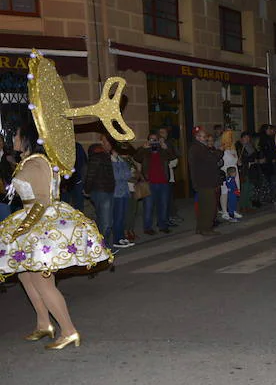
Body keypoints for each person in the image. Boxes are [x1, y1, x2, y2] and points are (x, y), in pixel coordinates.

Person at [0, 119, 112, 349]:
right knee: (25, 275)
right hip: (33, 220)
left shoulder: (39, 162)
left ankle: (69, 330)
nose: (14, 140)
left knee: (43, 282)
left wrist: (24, 229)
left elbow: (42, 200)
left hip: (40, 222)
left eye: (17, 135)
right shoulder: (29, 161)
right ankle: (44, 324)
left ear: (28, 138)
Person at [135, 131, 175, 235]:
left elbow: (172, 157)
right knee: (148, 206)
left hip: (163, 182)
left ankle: (162, 225)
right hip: (149, 183)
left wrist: (165, 147)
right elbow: (136, 158)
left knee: (164, 205)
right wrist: (143, 148)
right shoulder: (144, 150)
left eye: (155, 139)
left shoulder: (162, 150)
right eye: (151, 139)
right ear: (148, 140)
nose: (153, 142)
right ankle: (147, 228)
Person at [188, 126, 224, 236]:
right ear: (197, 137)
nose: (206, 138)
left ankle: (201, 227)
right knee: (209, 206)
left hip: (203, 181)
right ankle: (207, 228)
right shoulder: (197, 148)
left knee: (204, 206)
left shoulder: (199, 147)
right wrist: (220, 151)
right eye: (203, 136)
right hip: (205, 182)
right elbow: (211, 159)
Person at [219, 129, 241, 221]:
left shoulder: (233, 149)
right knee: (225, 193)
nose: (231, 139)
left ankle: (232, 210)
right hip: (226, 173)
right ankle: (224, 211)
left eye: (232, 137)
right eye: (229, 137)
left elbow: (236, 162)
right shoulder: (222, 149)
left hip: (234, 173)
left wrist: (238, 162)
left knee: (234, 193)